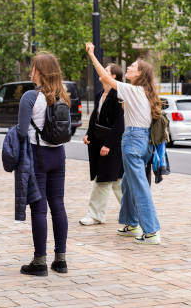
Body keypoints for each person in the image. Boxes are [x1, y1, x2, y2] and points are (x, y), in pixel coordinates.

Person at [86, 43, 162, 245]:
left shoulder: (133, 90)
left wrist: (92, 55)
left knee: (139, 186)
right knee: (128, 183)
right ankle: (131, 224)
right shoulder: (143, 91)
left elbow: (104, 77)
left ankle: (152, 231)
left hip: (133, 141)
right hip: (143, 141)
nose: (128, 68)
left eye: (133, 67)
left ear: (140, 74)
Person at [17, 52, 70, 276]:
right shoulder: (63, 97)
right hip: (58, 155)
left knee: (39, 209)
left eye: (33, 67)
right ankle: (61, 260)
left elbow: (21, 131)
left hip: (37, 155)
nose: (31, 71)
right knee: (57, 204)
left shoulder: (30, 97)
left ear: (39, 71)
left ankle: (39, 262)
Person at [80, 63, 125, 226]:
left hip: (112, 146)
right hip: (100, 144)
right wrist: (88, 135)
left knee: (104, 179)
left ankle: (95, 214)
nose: (102, 72)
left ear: (113, 76)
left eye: (106, 70)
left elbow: (119, 124)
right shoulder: (100, 94)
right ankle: (135, 214)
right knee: (117, 182)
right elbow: (94, 119)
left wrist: (108, 145)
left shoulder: (119, 95)